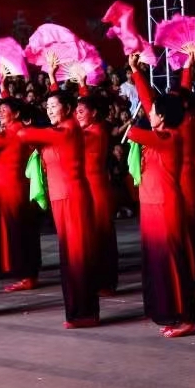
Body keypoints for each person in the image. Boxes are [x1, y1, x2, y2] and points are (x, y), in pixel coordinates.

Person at [19, 78, 100, 329]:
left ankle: (86, 313)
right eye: (47, 107)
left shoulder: (68, 129)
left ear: (67, 108)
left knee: (78, 255)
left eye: (54, 106)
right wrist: (53, 80)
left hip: (73, 197)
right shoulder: (57, 130)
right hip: (59, 198)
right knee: (69, 256)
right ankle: (76, 312)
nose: (50, 110)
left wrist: (22, 124)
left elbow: (23, 134)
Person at [130, 54, 195, 302]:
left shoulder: (183, 124)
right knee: (184, 233)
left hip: (183, 180)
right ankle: (191, 283)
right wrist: (136, 72)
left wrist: (188, 70)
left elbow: (155, 103)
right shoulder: (177, 120)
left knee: (189, 233)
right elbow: (153, 103)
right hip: (178, 178)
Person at [127, 93, 195, 338]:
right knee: (157, 263)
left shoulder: (171, 137)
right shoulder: (158, 136)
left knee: (173, 263)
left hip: (165, 205)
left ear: (163, 116)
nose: (149, 113)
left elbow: (133, 133)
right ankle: (168, 313)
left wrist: (134, 121)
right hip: (150, 205)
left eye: (153, 111)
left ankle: (187, 318)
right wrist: (137, 74)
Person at [0, 97, 41, 292]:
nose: (0, 113)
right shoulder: (19, 130)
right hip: (15, 188)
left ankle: (26, 275)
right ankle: (27, 273)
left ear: (16, 113)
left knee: (18, 231)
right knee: (21, 230)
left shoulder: (10, 133)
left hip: (12, 189)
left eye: (4, 109)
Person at [74, 89, 118, 296]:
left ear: (94, 113)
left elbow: (69, 131)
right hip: (85, 188)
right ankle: (95, 279)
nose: (77, 115)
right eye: (75, 111)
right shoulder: (88, 127)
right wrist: (82, 86)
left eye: (81, 111)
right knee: (89, 236)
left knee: (102, 235)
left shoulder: (96, 131)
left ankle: (106, 282)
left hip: (97, 189)